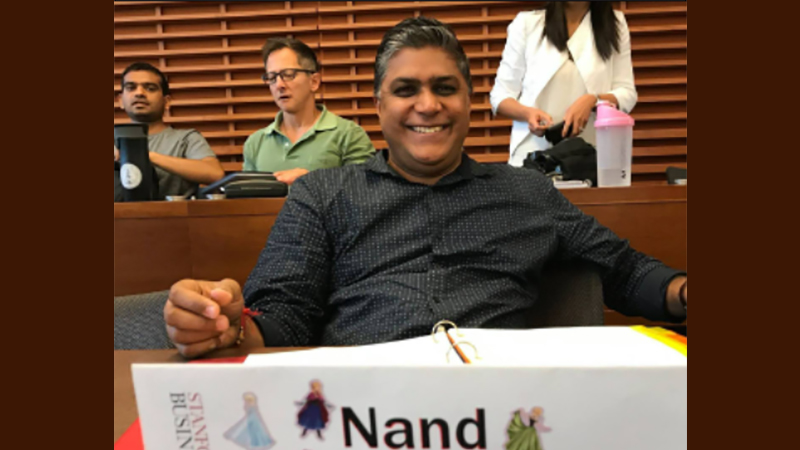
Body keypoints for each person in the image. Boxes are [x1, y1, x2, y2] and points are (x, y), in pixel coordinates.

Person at [163, 16, 687, 358]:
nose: (428, 105)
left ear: (468, 101)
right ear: (379, 105)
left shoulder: (528, 192)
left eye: (444, 88)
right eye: (406, 89)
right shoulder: (321, 195)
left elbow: (626, 270)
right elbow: (282, 316)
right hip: (360, 422)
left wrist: (684, 292)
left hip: (502, 420)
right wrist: (223, 326)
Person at [490, 2, 638, 167]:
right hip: (531, 154)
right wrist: (528, 114)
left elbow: (627, 93)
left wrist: (593, 100)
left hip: (588, 156)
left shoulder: (615, 23)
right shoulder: (527, 24)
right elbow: (500, 96)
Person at [243, 38, 375, 186]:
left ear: (314, 82)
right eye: (272, 77)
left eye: (288, 74)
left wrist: (313, 181)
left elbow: (365, 190)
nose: (279, 85)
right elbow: (246, 196)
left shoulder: (349, 134)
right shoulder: (255, 143)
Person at [115, 63, 225, 200]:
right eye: (131, 88)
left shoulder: (185, 139)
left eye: (150, 88)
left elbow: (215, 174)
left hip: (176, 213)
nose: (139, 93)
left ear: (166, 102)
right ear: (120, 101)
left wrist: (144, 156)